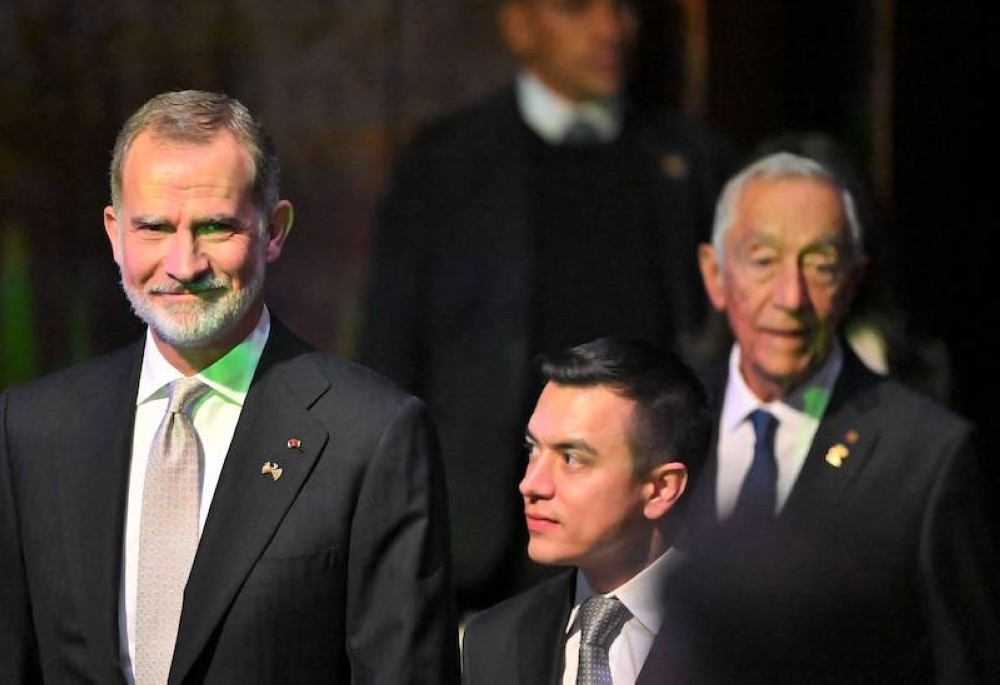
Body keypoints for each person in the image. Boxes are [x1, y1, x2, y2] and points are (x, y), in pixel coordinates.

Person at [0, 90, 459, 684]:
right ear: (115, 233)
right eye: (155, 227)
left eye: (216, 227)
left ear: (275, 230)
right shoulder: (31, 429)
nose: (183, 262)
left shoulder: (371, 438)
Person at [360, 0, 734, 612]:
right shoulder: (445, 166)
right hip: (483, 548)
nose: (610, 29)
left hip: (650, 544)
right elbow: (390, 353)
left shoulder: (691, 164)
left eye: (623, 9)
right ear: (520, 22)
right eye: (576, 9)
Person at [672, 152, 1000, 681]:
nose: (791, 297)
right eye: (763, 260)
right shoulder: (662, 423)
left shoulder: (925, 457)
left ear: (852, 282)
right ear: (715, 274)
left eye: (820, 266)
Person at [461, 337, 713, 684]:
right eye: (533, 449)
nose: (531, 484)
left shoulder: (751, 637)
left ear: (661, 489)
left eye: (571, 459)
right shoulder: (493, 640)